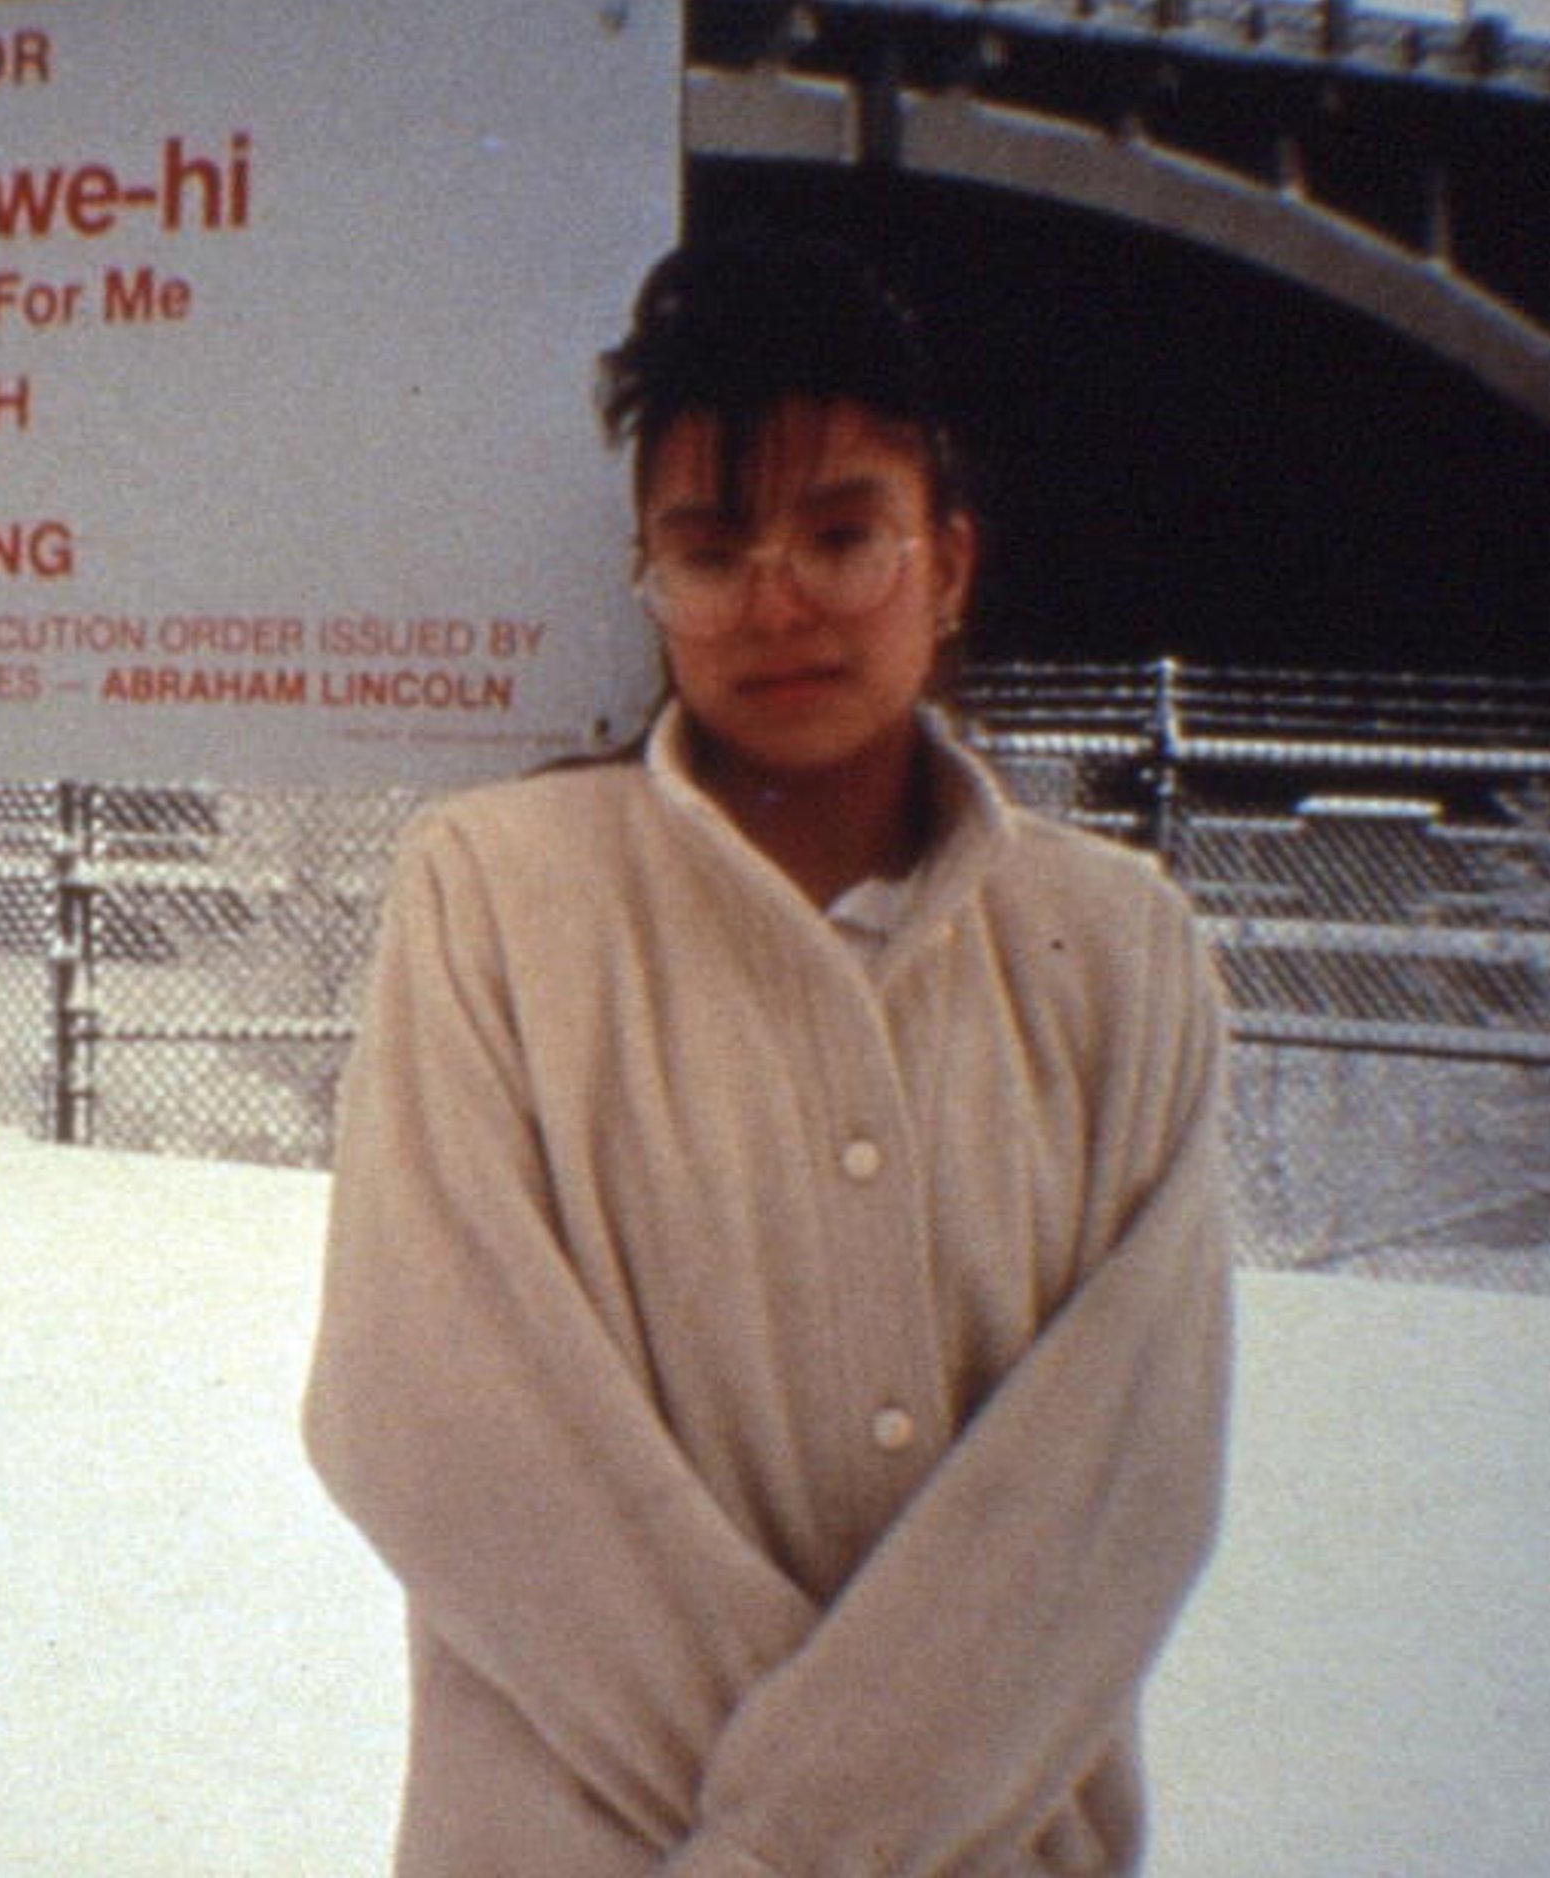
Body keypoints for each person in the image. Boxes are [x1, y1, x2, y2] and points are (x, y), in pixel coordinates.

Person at [302, 232, 1233, 1876]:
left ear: (947, 564)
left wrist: (788, 1843)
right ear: (650, 586)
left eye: (843, 534)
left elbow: (1119, 1485)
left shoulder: (1121, 951)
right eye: (712, 548)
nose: (778, 599)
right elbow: (429, 1412)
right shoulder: (497, 899)